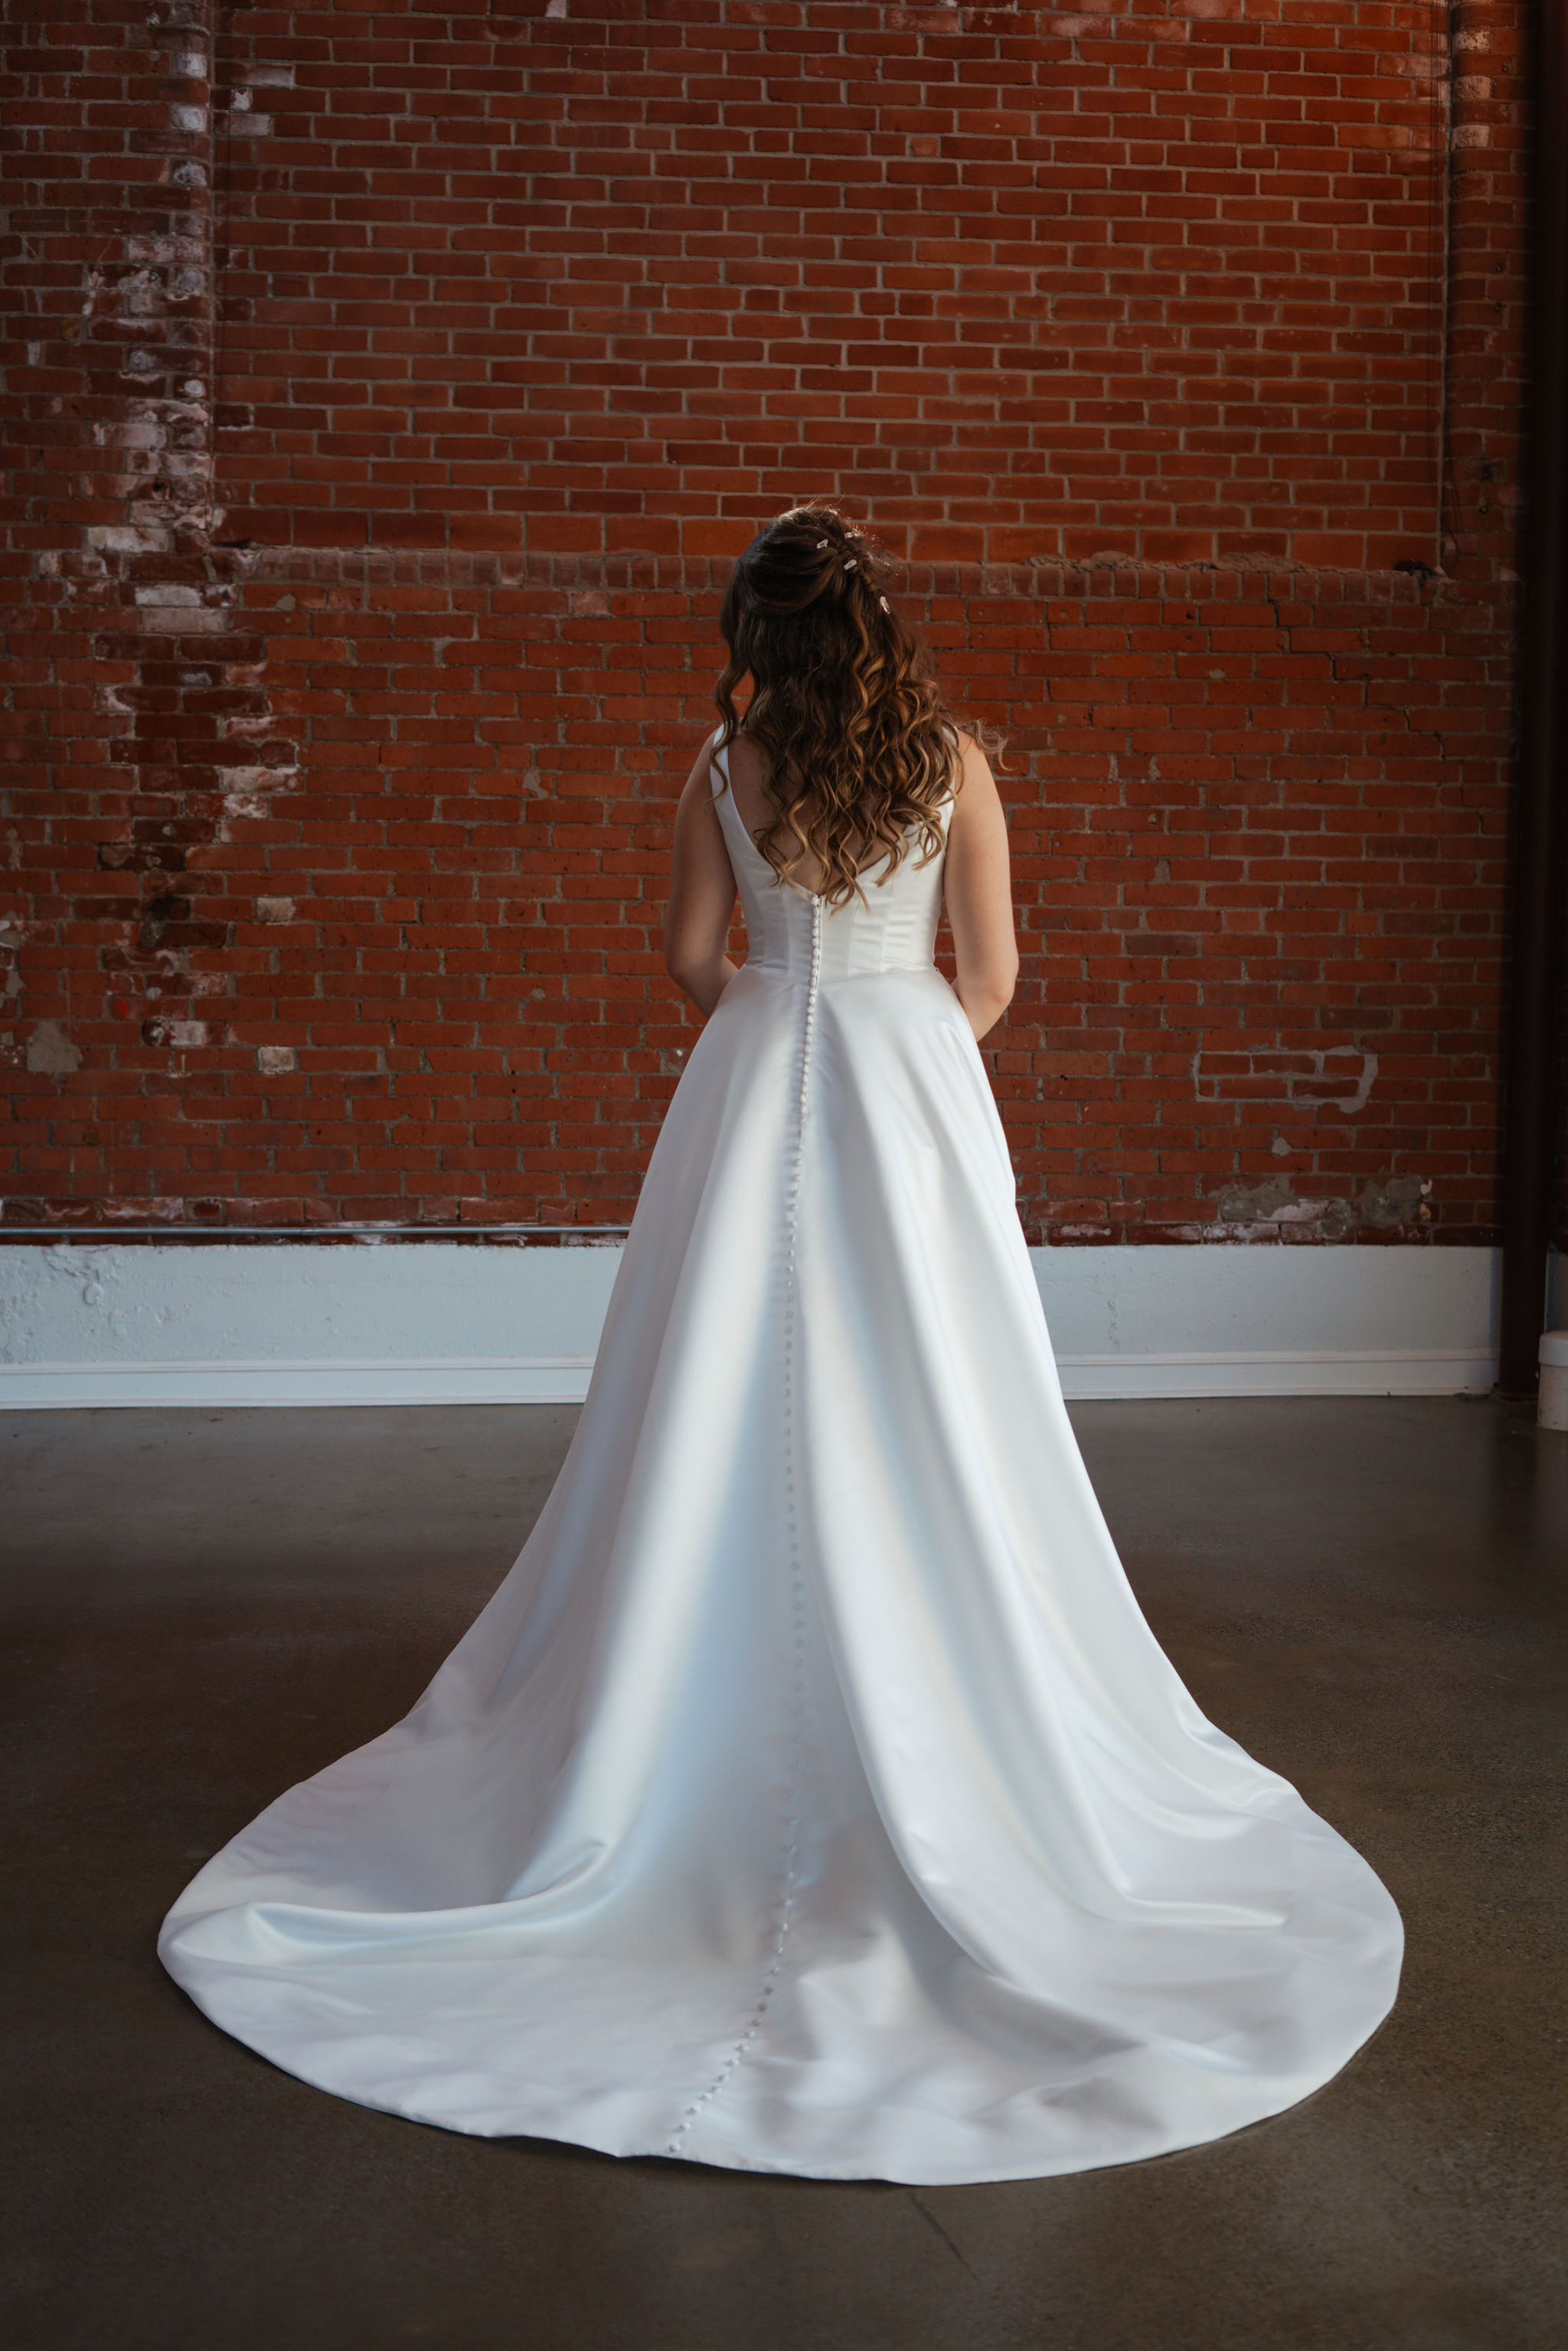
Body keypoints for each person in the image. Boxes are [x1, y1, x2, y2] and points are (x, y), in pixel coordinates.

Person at [160, 506, 1402, 2186]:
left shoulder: (722, 768)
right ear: (877, 627)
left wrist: (781, 1031)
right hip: (907, 1094)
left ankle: (682, 1710)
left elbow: (692, 960)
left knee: (716, 1401)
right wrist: (900, 1062)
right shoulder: (956, 765)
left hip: (751, 1094)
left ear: (755, 635)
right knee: (930, 1403)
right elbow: (997, 976)